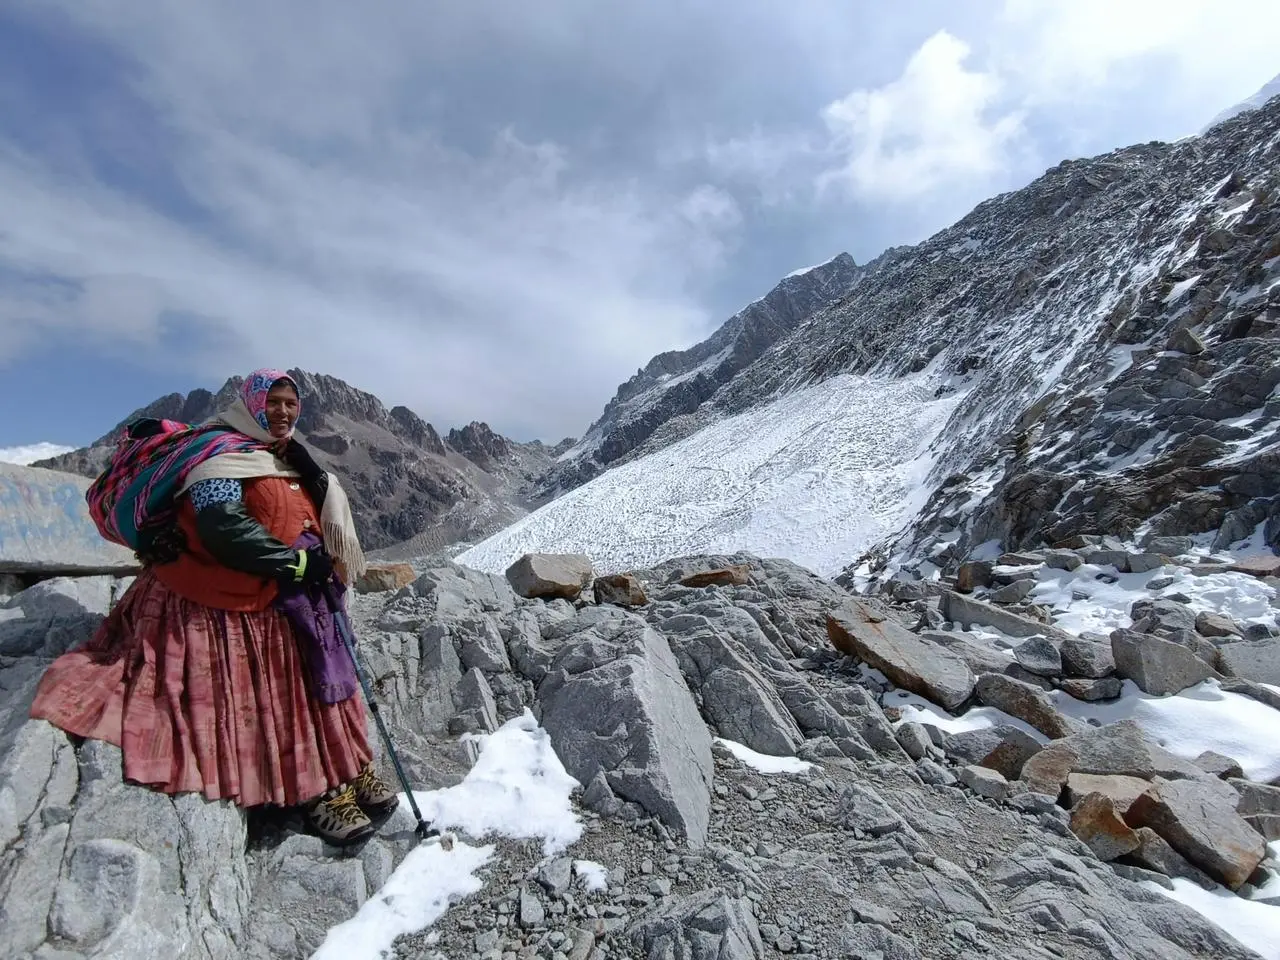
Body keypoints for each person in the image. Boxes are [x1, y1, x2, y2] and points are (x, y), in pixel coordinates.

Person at [30, 369, 398, 846]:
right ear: (251, 403)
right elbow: (223, 528)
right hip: (242, 598)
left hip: (303, 597)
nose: (283, 412)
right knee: (287, 693)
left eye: (290, 403)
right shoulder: (221, 456)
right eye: (274, 402)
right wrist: (297, 562)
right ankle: (314, 791)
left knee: (325, 679)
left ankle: (349, 764)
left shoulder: (281, 455)